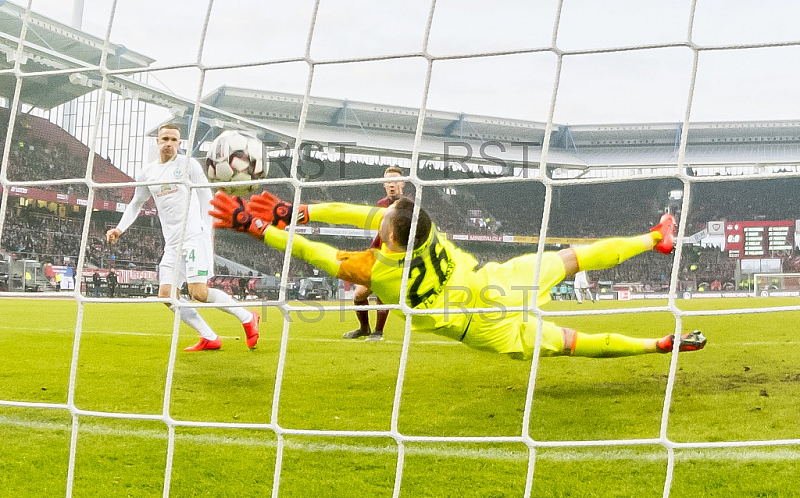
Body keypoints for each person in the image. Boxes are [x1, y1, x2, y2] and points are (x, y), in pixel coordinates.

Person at [209, 192, 707, 360]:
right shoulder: (429, 230)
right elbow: (367, 215)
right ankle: (653, 240)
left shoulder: (373, 269)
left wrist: (259, 227)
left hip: (482, 326)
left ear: (395, 239)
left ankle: (656, 346)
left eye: (382, 224)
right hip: (498, 281)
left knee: (573, 343)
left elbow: (311, 251)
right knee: (574, 257)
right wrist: (304, 208)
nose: (374, 221)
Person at [106, 124, 260, 352]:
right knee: (167, 296)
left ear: (179, 143)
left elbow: (207, 199)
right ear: (158, 141)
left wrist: (208, 233)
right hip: (172, 244)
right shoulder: (148, 173)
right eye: (165, 138)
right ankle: (209, 337)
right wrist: (119, 229)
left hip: (194, 237)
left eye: (174, 139)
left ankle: (248, 317)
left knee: (198, 293)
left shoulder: (189, 165)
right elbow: (136, 204)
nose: (169, 143)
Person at [344, 165, 406, 342]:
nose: (391, 185)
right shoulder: (380, 205)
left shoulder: (408, 207)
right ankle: (364, 328)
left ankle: (378, 333)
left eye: (395, 180)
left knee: (381, 292)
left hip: (395, 258)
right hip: (376, 255)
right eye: (388, 181)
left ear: (403, 183)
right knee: (359, 295)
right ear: (383, 185)